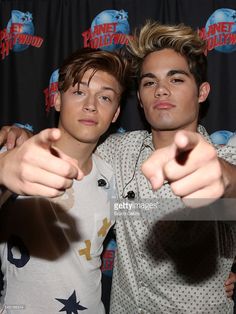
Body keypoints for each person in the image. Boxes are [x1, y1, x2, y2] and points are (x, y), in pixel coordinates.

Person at [1, 21, 236, 313]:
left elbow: (231, 192)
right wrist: (13, 150)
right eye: (149, 82)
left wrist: (224, 180)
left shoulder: (226, 155)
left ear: (202, 92)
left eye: (176, 80)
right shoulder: (116, 154)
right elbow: (68, 147)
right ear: (139, 99)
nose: (161, 90)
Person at [0, 47, 131, 313]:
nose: (91, 105)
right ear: (58, 100)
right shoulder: (16, 156)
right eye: (79, 92)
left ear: (115, 113)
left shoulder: (115, 178)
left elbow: (161, 221)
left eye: (105, 98)